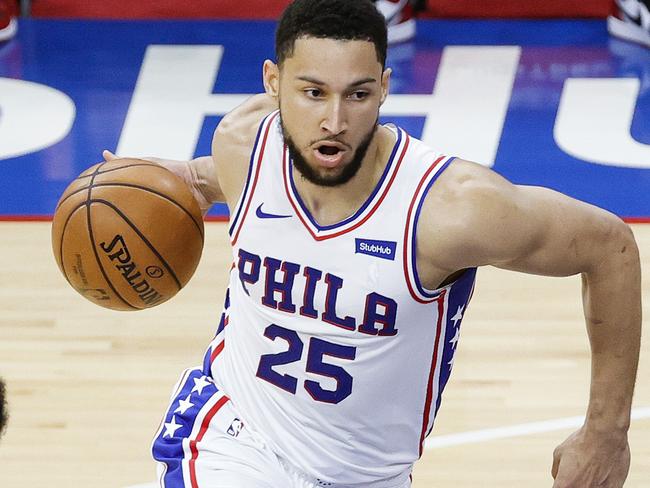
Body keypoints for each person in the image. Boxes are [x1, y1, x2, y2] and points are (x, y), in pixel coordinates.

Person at [105, 0, 641, 486]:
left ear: (384, 87)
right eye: (312, 92)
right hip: (232, 440)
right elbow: (213, 178)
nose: (333, 121)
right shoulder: (241, 146)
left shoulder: (452, 210)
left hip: (369, 475)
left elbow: (611, 249)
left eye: (357, 95)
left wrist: (606, 431)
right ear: (273, 82)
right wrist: (181, 184)